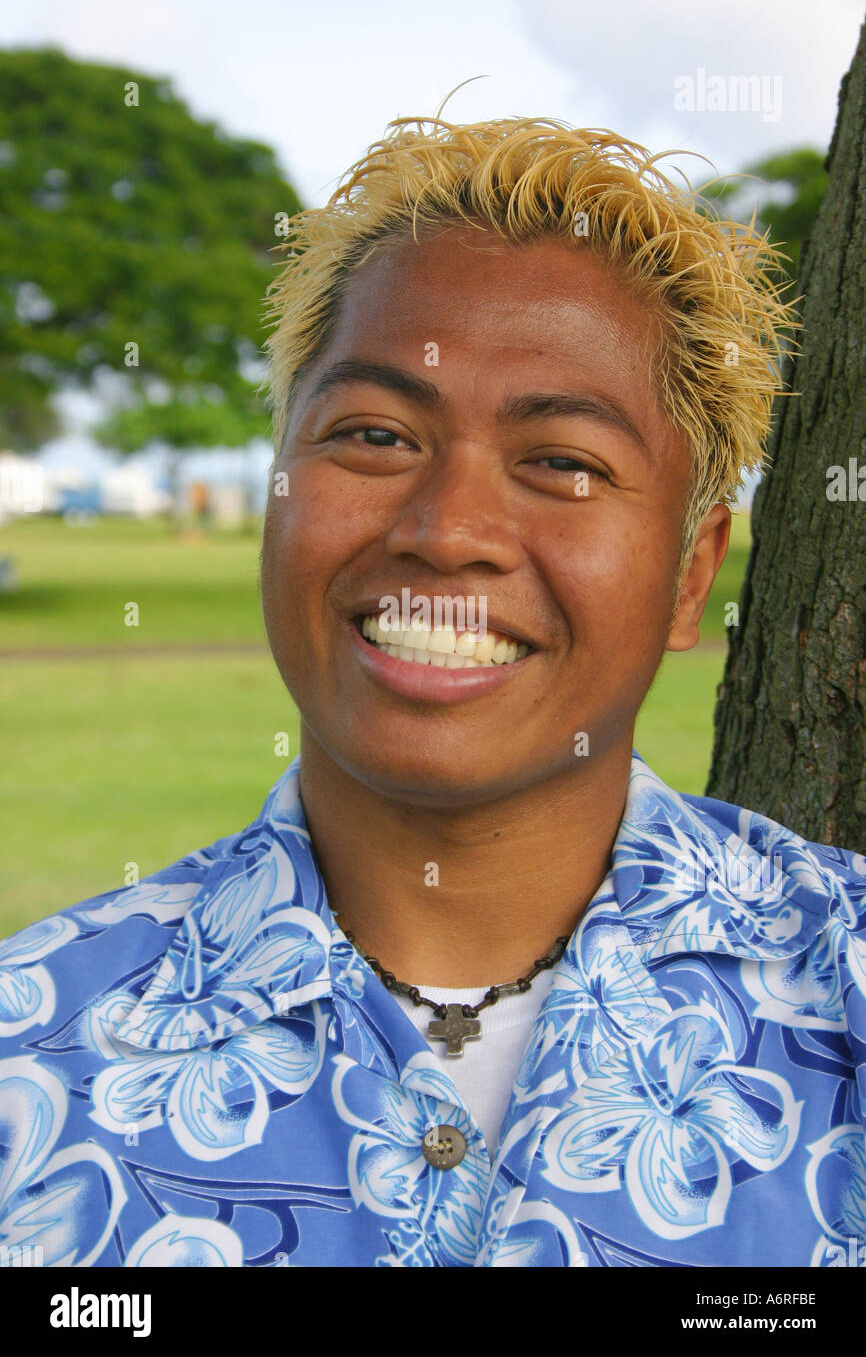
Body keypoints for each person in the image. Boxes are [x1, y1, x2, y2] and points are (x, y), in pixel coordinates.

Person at [1, 113, 864, 1270]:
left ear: (688, 575)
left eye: (561, 461)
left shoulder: (843, 991)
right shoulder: (32, 1052)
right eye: (373, 435)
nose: (448, 531)